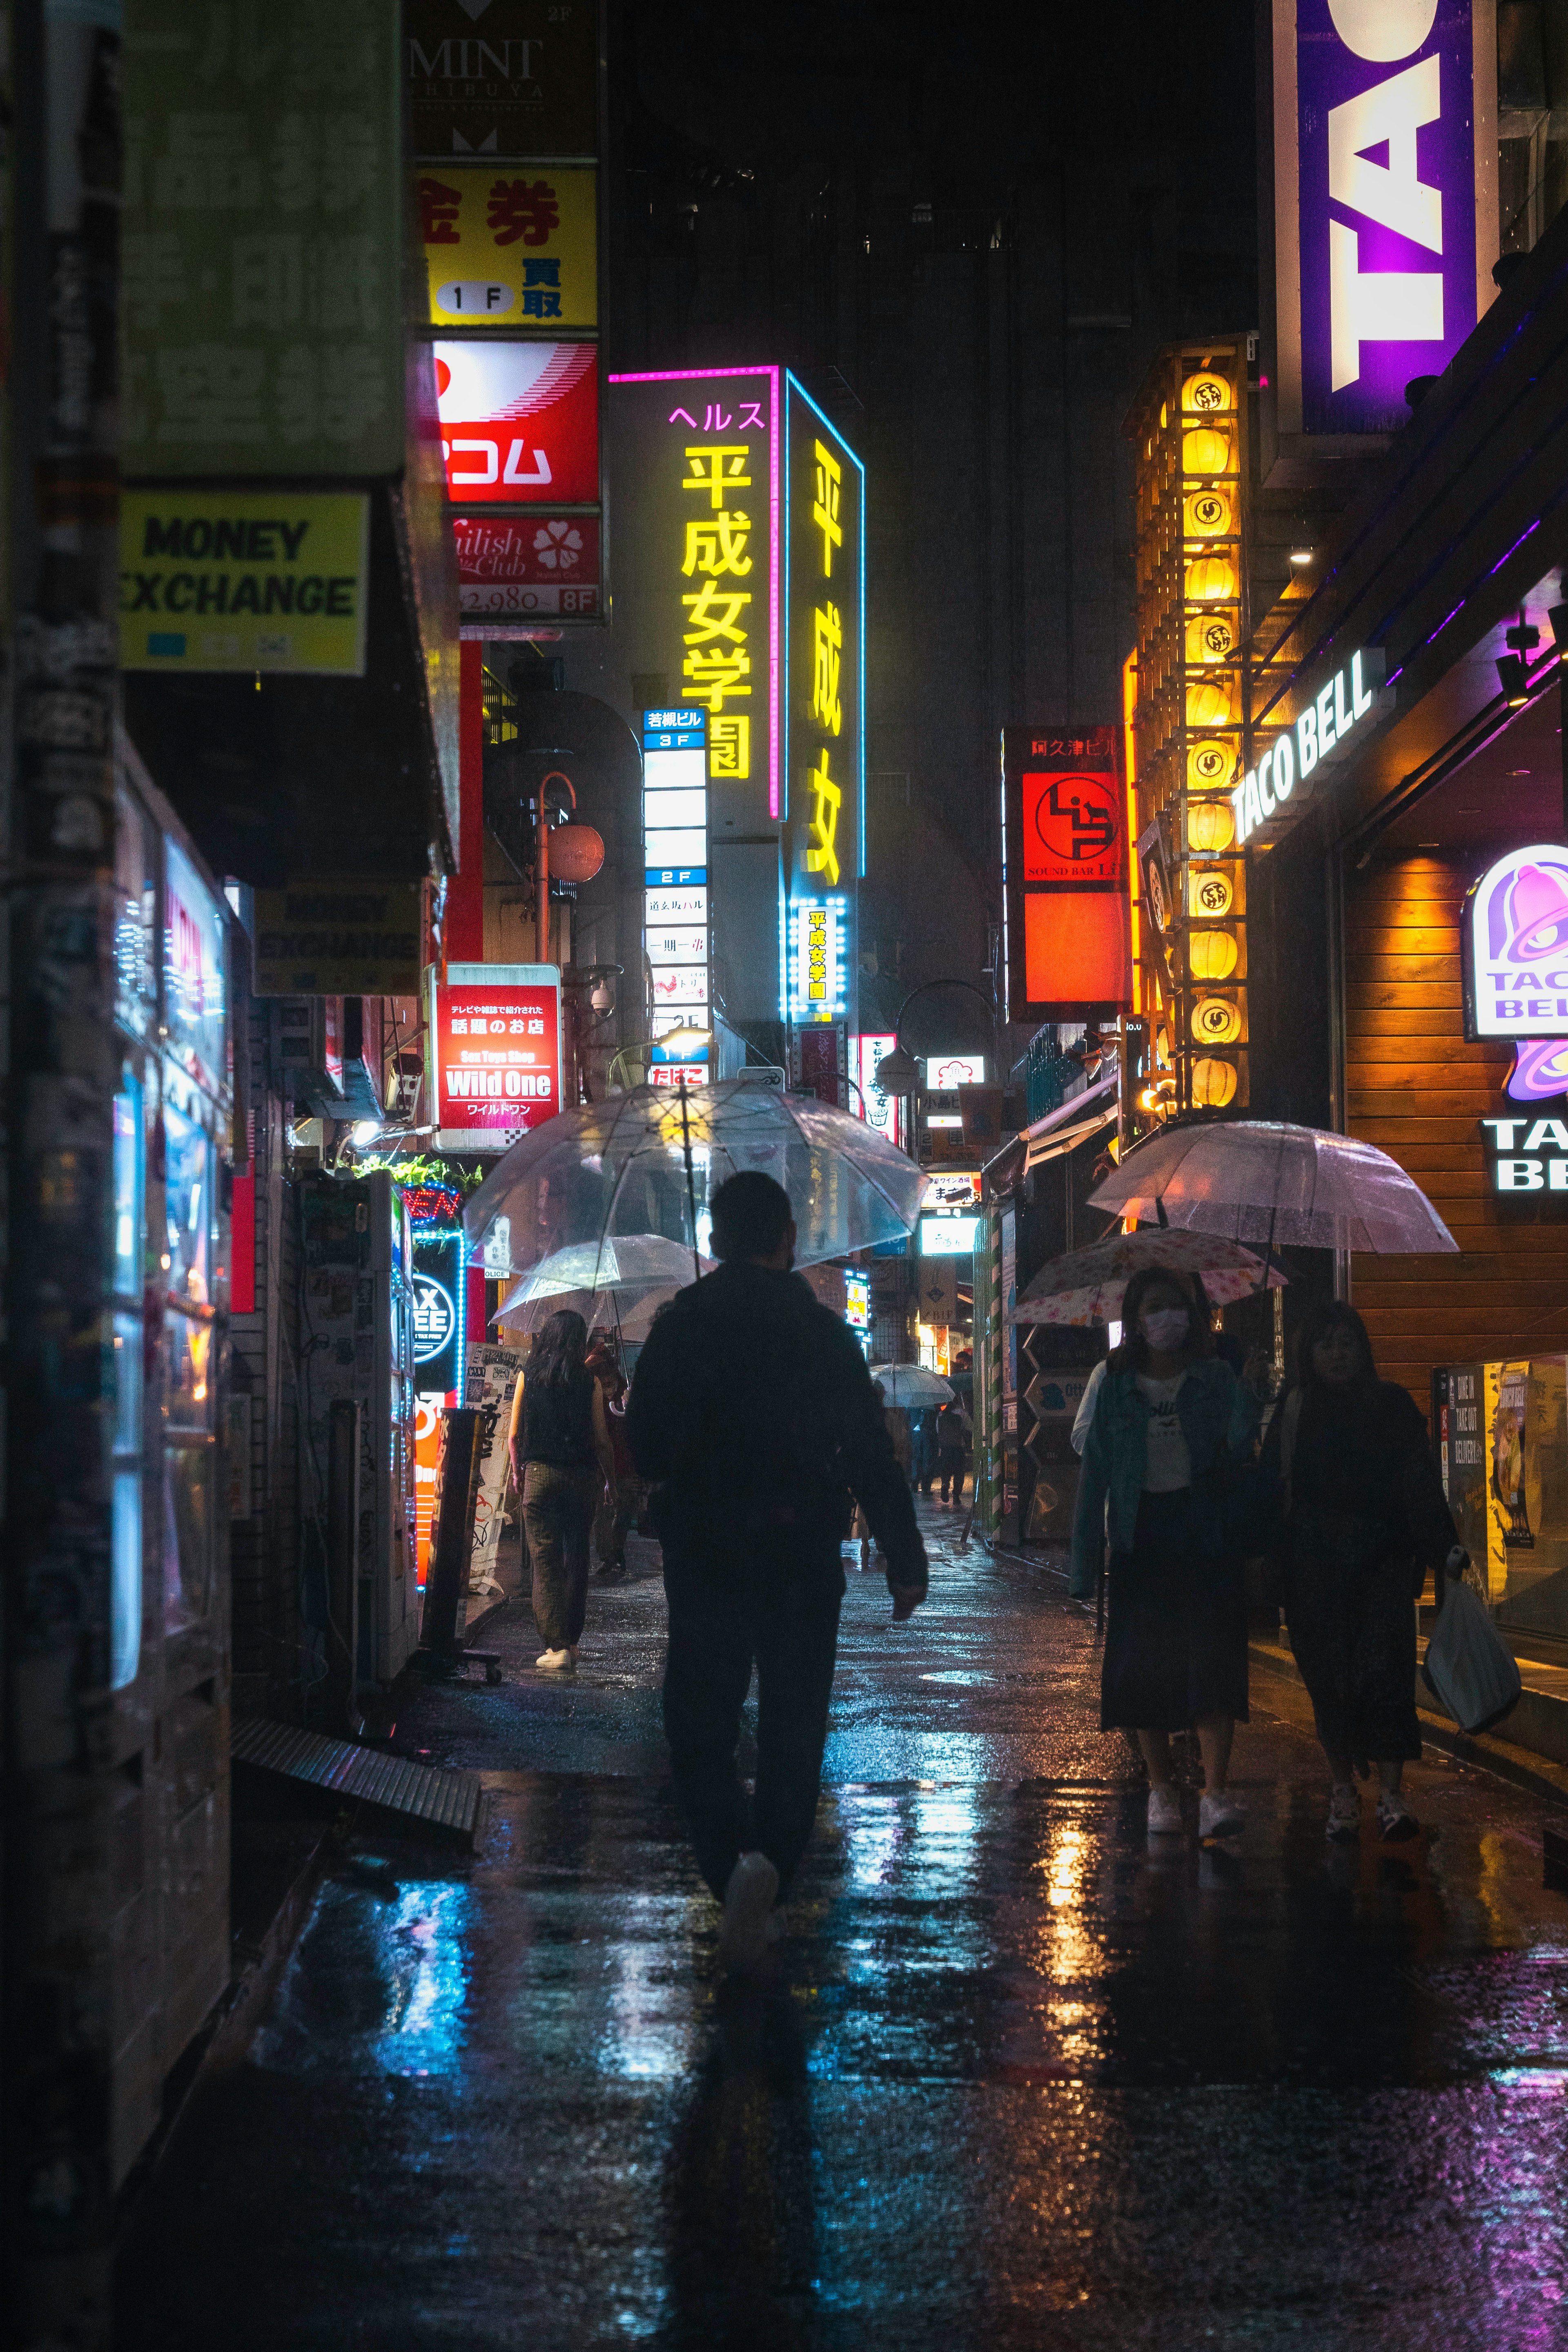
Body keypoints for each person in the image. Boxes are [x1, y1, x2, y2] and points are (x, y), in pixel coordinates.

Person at [627, 1170, 928, 1973]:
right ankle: (775, 1875)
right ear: (787, 1238)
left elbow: (646, 1450)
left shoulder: (682, 1326)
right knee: (796, 1725)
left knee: (700, 1721)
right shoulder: (824, 1333)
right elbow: (868, 1447)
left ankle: (734, 1867)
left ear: (717, 1239)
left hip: (708, 1552)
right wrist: (905, 1554)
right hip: (800, 1553)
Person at [1260, 1300, 1464, 1843]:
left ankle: (1393, 1796)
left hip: (1383, 1566)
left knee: (1387, 1676)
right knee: (1329, 1683)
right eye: (1325, 1343)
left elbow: (1420, 1482)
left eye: (1346, 1341)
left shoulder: (1392, 1405)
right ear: (1309, 1352)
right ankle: (1343, 1789)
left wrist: (1443, 1545)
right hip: (1312, 1569)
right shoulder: (1295, 1408)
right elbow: (1269, 1487)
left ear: (1363, 1347)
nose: (1337, 1353)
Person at [1070, 1267, 1260, 1839]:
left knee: (1213, 1660)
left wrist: (1248, 1395)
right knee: (1144, 1666)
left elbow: (1237, 1448)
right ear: (1135, 1319)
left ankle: (1215, 1792)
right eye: (1155, 1307)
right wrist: (1083, 1564)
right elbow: (1095, 1473)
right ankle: (1159, 1789)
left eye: (1178, 1307)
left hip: (1204, 1531)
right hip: (1141, 1533)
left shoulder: (1215, 1376)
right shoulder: (1114, 1380)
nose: (1168, 1318)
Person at [509, 1309, 617, 1673]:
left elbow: (513, 1434)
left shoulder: (528, 1375)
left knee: (545, 1561)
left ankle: (555, 1647)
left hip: (540, 1475)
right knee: (578, 1559)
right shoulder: (591, 1382)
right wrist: (611, 1482)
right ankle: (571, 1641)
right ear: (578, 1340)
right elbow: (602, 1440)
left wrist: (516, 1472)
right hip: (582, 1477)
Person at [585, 1337, 642, 1581]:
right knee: (603, 1513)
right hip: (601, 1464)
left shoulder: (626, 1392)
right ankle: (609, 1558)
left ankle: (616, 1550)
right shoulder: (590, 1393)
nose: (604, 1378)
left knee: (625, 1510)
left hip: (627, 1463)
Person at [935, 1396, 971, 1501]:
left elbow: (938, 1431)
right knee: (959, 1472)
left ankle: (945, 1485)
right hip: (958, 1448)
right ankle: (956, 1495)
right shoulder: (962, 1413)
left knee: (946, 1471)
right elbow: (970, 1427)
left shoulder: (941, 1415)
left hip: (945, 1448)